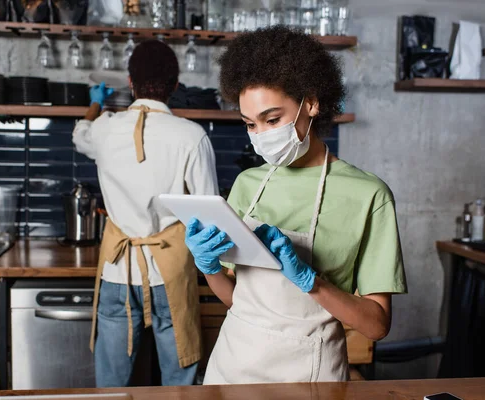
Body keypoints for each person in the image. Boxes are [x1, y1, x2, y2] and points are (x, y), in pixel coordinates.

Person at [184, 26, 408, 384]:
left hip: (311, 373)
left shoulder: (368, 195)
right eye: (250, 124)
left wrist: (310, 281)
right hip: (232, 367)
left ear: (312, 102)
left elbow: (376, 325)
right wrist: (208, 266)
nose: (261, 135)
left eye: (272, 120)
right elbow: (236, 300)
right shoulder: (248, 184)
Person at [73, 40, 218, 387]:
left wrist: (95, 102)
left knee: (110, 384)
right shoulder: (191, 136)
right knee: (179, 381)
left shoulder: (104, 127)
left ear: (130, 81)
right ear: (175, 86)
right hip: (171, 271)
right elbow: (209, 213)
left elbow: (79, 136)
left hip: (116, 267)